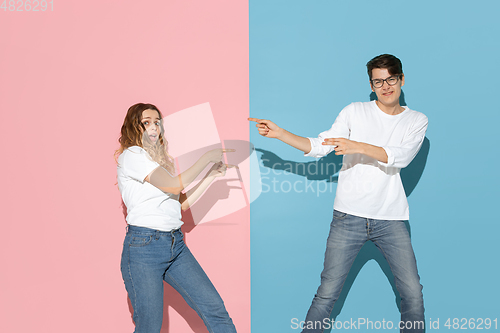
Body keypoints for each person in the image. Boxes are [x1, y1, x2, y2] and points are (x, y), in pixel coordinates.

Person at [249, 54, 427, 333]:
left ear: (401, 80)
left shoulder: (416, 120)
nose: (385, 86)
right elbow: (320, 145)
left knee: (413, 293)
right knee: (327, 292)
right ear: (371, 85)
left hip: (391, 218)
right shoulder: (355, 111)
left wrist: (357, 145)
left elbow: (401, 157)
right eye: (378, 81)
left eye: (391, 79)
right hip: (348, 217)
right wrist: (281, 133)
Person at [116, 103, 237, 333]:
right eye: (147, 122)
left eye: (157, 122)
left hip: (175, 245)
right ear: (135, 126)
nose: (154, 127)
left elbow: (180, 204)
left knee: (215, 309)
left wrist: (209, 176)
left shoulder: (157, 162)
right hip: (144, 248)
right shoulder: (132, 155)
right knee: (149, 327)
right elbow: (175, 184)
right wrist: (205, 158)